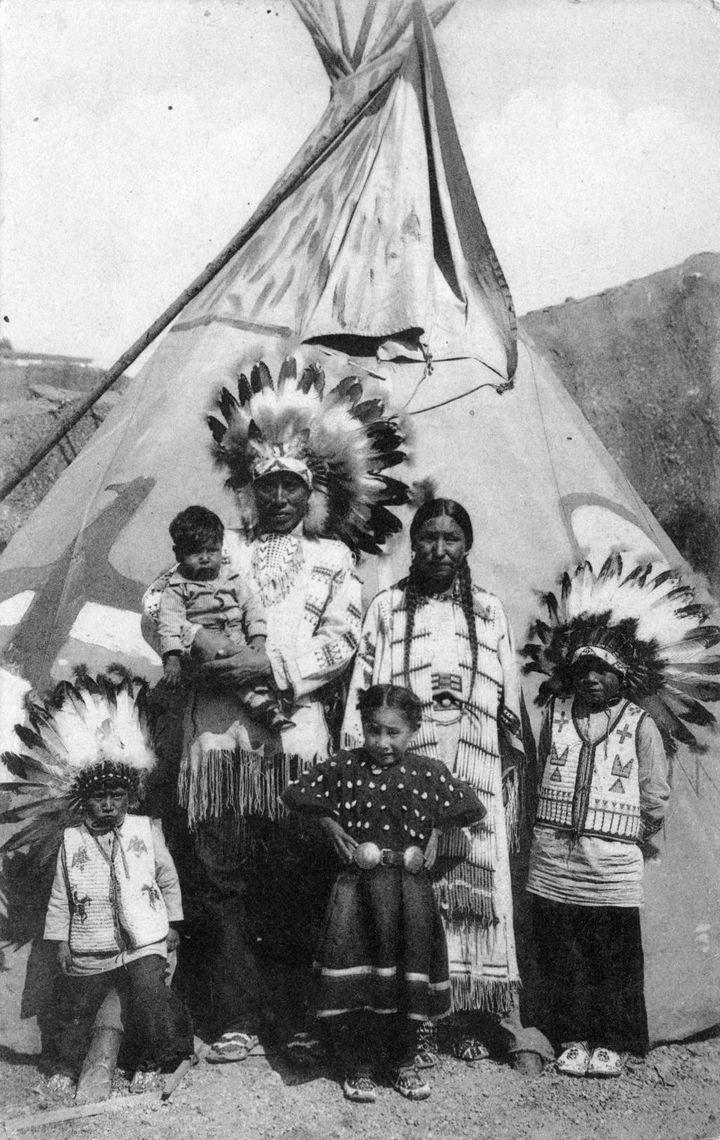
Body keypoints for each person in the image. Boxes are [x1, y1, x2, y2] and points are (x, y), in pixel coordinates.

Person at [142, 351, 409, 1063]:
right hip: (221, 745)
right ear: (251, 490)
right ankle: (232, 1016)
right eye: (269, 487)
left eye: (293, 486)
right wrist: (197, 642)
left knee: (295, 881)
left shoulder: (331, 562)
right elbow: (154, 602)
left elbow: (345, 639)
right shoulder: (216, 547)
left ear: (311, 490)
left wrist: (273, 662)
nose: (281, 499)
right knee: (222, 878)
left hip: (296, 742)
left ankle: (294, 1017)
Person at [343, 496, 552, 1070]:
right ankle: (416, 1021)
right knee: (412, 890)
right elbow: (365, 691)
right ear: (415, 543)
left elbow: (507, 697)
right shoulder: (387, 609)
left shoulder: (488, 611)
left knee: (473, 894)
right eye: (428, 537)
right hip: (403, 773)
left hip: (475, 767)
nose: (439, 549)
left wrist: (506, 768)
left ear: (468, 546)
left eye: (451, 539)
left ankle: (468, 1016)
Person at [522, 555, 719, 1077]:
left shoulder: (640, 725)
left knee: (610, 952)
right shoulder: (556, 718)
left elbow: (656, 792)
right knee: (562, 951)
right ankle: (572, 1036)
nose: (591, 679)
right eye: (584, 669)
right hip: (552, 858)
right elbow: (541, 772)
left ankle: (611, 1038)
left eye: (603, 671)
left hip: (611, 863)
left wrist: (631, 835)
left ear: (623, 677)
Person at [284, 683, 485, 1103]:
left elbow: (471, 806)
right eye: (373, 731)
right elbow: (296, 793)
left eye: (394, 733)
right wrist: (329, 824)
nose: (382, 742)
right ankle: (358, 1063)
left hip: (409, 893)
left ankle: (404, 1060)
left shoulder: (428, 772)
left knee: (406, 975)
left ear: (413, 729)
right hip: (358, 893)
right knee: (361, 977)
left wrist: (435, 827)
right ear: (362, 727)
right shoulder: (345, 766)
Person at [3, 672, 194, 1082]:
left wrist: (173, 923)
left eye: (117, 797)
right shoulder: (72, 841)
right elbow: (59, 898)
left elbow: (167, 879)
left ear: (130, 797)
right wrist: (59, 942)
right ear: (83, 801)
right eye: (99, 797)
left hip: (145, 940)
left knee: (150, 995)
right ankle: (66, 1063)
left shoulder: (146, 830)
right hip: (91, 945)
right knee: (76, 1004)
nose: (108, 805)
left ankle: (166, 1055)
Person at [157, 504, 292, 732]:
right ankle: (263, 708)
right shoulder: (177, 587)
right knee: (227, 672)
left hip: (237, 640)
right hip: (205, 649)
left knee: (253, 667)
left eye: (212, 550)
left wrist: (258, 638)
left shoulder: (232, 578)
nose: (205, 558)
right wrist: (172, 657)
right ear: (178, 553)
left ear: (222, 548)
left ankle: (268, 702)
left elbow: (252, 607)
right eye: (195, 552)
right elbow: (169, 622)